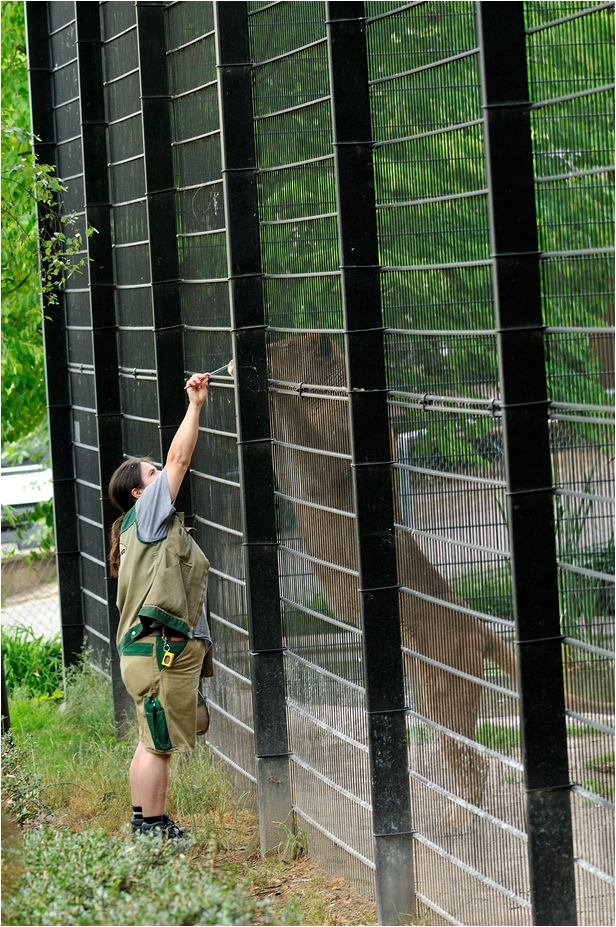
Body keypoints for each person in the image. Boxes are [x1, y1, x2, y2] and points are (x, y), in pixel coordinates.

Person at [108, 372, 211, 838]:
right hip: (156, 651)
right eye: (151, 474)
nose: (160, 475)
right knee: (158, 746)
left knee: (148, 740)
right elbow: (179, 457)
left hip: (142, 652)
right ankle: (153, 829)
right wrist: (195, 404)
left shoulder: (137, 527)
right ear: (139, 492)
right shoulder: (148, 512)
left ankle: (145, 822)